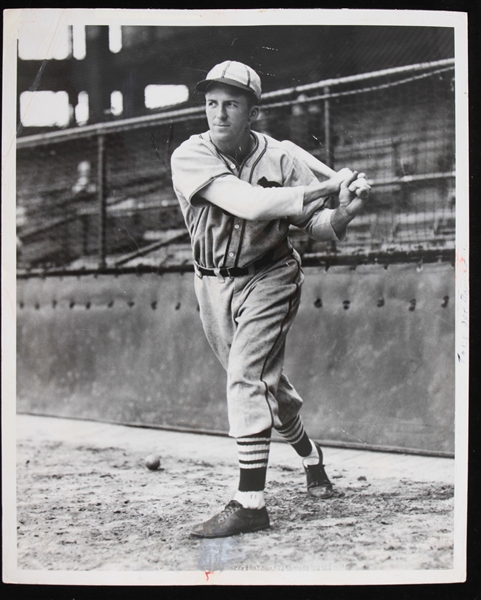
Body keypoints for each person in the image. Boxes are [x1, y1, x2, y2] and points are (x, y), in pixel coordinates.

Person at [170, 61, 370, 538]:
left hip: (271, 276)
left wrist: (344, 211)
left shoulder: (282, 159)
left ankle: (250, 503)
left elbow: (317, 226)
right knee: (265, 387)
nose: (218, 114)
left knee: (246, 377)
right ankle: (310, 456)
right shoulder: (190, 155)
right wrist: (328, 184)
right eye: (212, 103)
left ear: (252, 112)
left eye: (231, 104)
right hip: (211, 282)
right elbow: (251, 204)